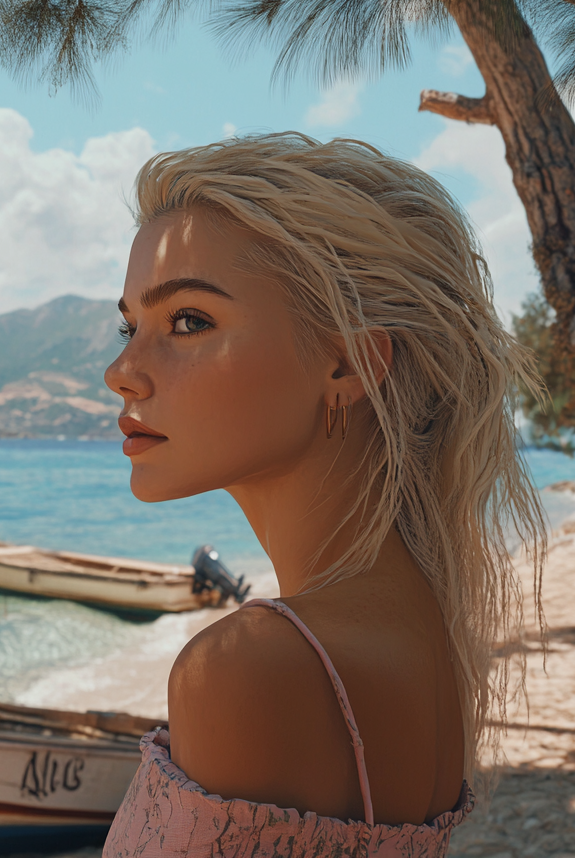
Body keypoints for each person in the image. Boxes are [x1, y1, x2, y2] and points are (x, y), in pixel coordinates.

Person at [101, 134, 546, 857]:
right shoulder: (430, 631)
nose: (121, 371)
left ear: (348, 363)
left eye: (187, 321)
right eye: (130, 326)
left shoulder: (249, 669)